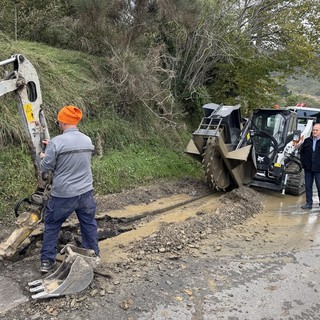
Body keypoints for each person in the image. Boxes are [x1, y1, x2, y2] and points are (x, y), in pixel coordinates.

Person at [39, 105, 99, 273]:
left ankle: (47, 261)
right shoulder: (87, 140)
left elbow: (46, 167)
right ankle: (93, 255)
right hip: (86, 192)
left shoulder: (57, 142)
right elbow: (74, 155)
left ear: (62, 122)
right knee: (88, 224)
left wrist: (46, 154)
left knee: (52, 225)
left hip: (64, 195)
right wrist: (53, 147)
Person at [300, 123, 320, 209]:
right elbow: (302, 152)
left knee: (319, 186)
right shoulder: (307, 141)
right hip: (308, 168)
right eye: (313, 130)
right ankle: (309, 203)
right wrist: (303, 162)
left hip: (318, 169)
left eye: (316, 130)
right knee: (308, 186)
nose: (314, 132)